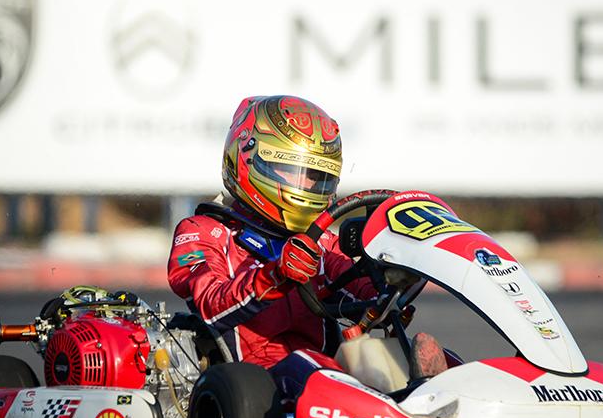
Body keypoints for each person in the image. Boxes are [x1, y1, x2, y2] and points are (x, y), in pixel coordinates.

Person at [167, 95, 446, 396]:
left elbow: (366, 295)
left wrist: (399, 276)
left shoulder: (321, 242)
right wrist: (275, 276)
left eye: (317, 177)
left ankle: (447, 394)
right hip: (248, 388)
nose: (308, 186)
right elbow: (210, 306)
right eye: (293, 172)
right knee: (309, 368)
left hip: (324, 373)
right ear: (247, 158)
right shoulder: (204, 231)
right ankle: (384, 403)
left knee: (388, 356)